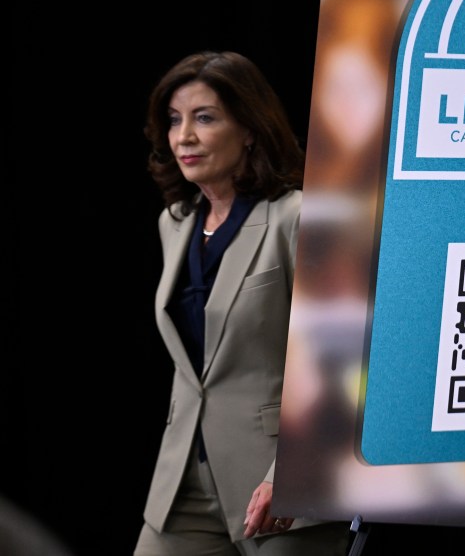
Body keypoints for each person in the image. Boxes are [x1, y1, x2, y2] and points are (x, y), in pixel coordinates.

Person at [134, 51, 350, 555]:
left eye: (204, 117)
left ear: (250, 128)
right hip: (184, 478)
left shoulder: (298, 217)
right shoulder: (175, 222)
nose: (183, 135)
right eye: (173, 120)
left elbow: (338, 362)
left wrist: (289, 476)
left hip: (278, 480)